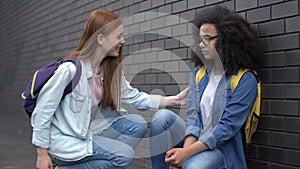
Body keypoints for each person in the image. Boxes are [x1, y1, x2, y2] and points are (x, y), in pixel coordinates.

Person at [32, 10, 188, 169]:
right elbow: (43, 111)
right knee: (123, 154)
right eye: (118, 36)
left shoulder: (108, 70)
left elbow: (132, 96)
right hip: (64, 142)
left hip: (87, 133)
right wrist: (42, 154)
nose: (123, 41)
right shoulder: (70, 70)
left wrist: (172, 100)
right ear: (101, 39)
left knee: (137, 124)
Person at [150, 5, 261, 169]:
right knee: (162, 118)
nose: (202, 45)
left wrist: (186, 155)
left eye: (208, 39)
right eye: (200, 39)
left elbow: (227, 128)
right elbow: (194, 116)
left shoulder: (245, 79)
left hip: (222, 148)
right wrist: (186, 151)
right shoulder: (199, 74)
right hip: (196, 139)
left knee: (194, 167)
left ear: (227, 40)